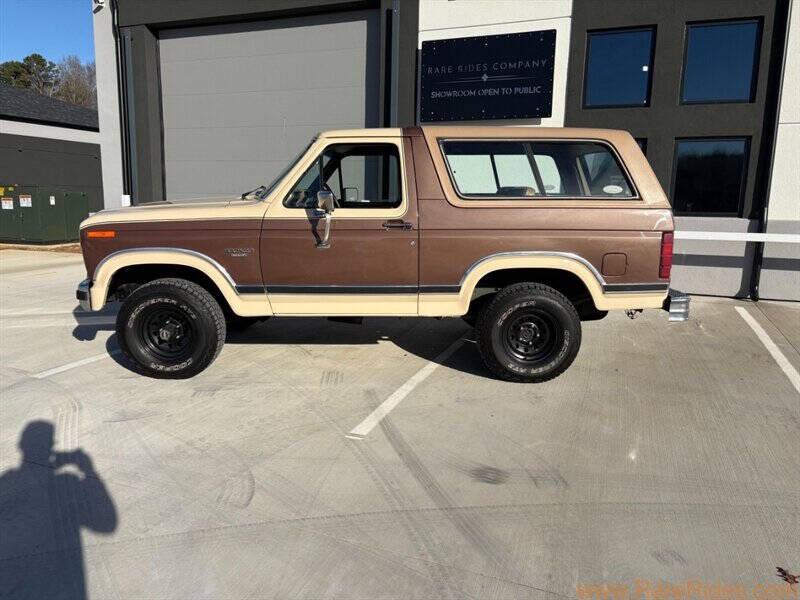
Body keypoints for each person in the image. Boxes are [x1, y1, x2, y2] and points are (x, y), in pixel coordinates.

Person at [0, 421, 117, 600]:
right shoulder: (67, 484)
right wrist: (87, 467)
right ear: (51, 448)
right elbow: (107, 524)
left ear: (21, 446)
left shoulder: (7, 483)